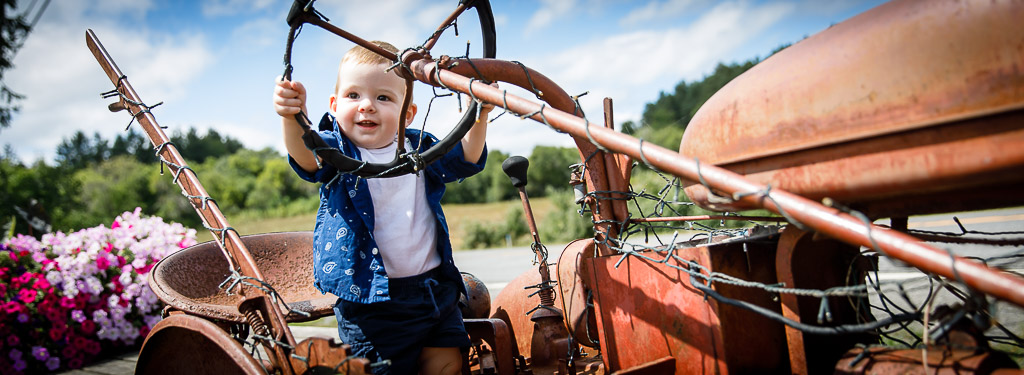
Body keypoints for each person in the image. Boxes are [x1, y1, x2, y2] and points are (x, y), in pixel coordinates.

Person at [272, 40, 492, 375]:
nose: (367, 107)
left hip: (434, 289)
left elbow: (467, 157)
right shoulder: (338, 151)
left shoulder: (419, 148)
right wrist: (292, 118)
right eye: (353, 95)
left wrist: (477, 115)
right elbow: (306, 157)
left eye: (383, 97)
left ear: (408, 112)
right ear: (334, 103)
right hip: (371, 300)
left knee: (447, 363)